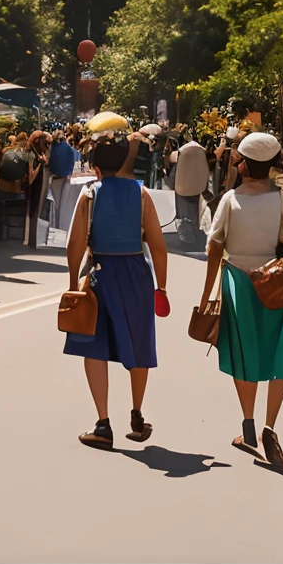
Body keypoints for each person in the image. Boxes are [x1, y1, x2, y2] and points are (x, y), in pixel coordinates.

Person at [199, 130, 283, 470]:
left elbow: (214, 246)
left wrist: (206, 295)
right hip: (279, 283)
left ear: (245, 165)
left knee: (244, 353)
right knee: (279, 353)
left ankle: (247, 426)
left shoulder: (231, 200)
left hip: (239, 283)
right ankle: (269, 428)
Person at [65, 134, 166, 448]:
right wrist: (161, 287)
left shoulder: (89, 195)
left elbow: (74, 245)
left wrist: (72, 285)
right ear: (125, 161)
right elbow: (158, 247)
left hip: (99, 275)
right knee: (138, 341)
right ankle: (136, 414)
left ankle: (103, 423)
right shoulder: (142, 194)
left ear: (95, 165)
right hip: (136, 273)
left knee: (94, 345)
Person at [172, 132, 210, 247]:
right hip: (198, 185)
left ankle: (187, 236)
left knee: (185, 211)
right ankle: (196, 233)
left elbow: (171, 160)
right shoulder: (202, 152)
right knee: (196, 211)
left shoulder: (182, 152)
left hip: (182, 184)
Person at [44, 129, 80, 244]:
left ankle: (56, 225)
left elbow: (50, 164)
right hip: (66, 178)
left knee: (56, 203)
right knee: (63, 203)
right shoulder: (69, 149)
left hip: (56, 178)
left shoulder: (53, 149)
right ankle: (62, 225)